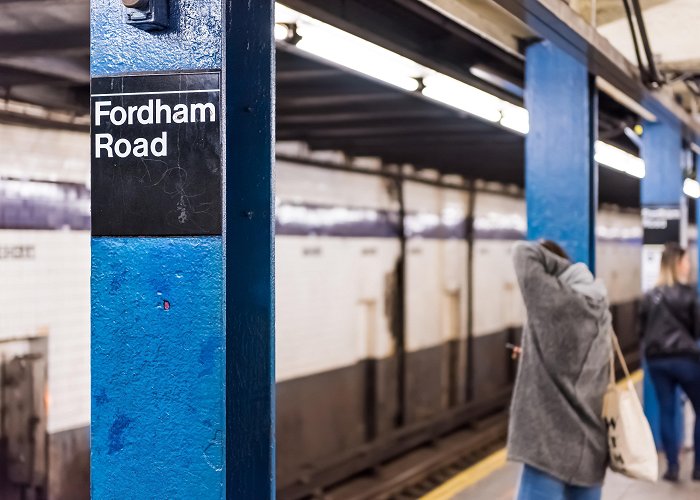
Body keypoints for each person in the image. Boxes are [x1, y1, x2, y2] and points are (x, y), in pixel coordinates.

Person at [509, 240, 612, 500]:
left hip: (549, 449)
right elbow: (575, 361)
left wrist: (556, 265)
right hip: (590, 450)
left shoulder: (552, 300)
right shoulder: (599, 308)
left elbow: (522, 251)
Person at [639, 242, 700, 482]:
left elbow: (641, 330)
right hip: (686, 360)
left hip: (657, 362)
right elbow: (697, 330)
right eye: (686, 260)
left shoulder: (649, 297)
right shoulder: (689, 294)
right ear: (678, 264)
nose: (689, 264)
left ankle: (672, 468)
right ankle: (698, 469)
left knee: (667, 410)